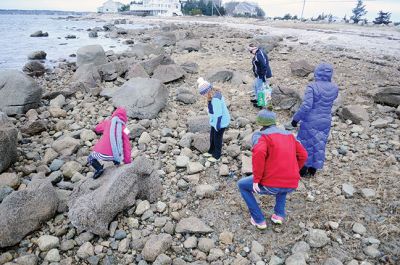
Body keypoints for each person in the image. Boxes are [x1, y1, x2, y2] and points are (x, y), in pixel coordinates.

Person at [238, 108, 307, 229]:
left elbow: (259, 153)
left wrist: (256, 179)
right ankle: (279, 215)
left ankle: (259, 220)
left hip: (271, 184)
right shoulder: (289, 135)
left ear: (260, 123)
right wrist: (295, 171)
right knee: (283, 184)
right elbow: (303, 155)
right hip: (291, 183)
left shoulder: (261, 135)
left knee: (242, 185)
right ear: (274, 121)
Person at [291, 63, 339, 177]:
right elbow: (332, 100)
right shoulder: (335, 87)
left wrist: (296, 119)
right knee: (320, 143)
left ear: (316, 73)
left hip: (310, 120)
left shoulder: (312, 86)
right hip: (325, 119)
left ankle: (302, 170)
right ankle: (313, 170)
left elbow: (306, 106)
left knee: (304, 144)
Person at [87, 107, 132, 179]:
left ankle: (99, 169)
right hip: (114, 156)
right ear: (125, 117)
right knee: (116, 150)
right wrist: (128, 162)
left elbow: (98, 128)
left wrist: (95, 129)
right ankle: (117, 164)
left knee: (90, 158)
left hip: (101, 154)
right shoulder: (125, 128)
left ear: (114, 114)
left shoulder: (108, 122)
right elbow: (127, 145)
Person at [197, 77, 230, 163]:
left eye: (203, 93)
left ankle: (217, 155)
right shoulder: (211, 94)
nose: (203, 96)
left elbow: (218, 114)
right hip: (215, 120)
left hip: (221, 121)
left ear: (208, 90)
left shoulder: (215, 99)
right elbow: (212, 110)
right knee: (212, 136)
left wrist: (217, 125)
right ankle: (211, 151)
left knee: (217, 138)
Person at [248, 43, 272, 107]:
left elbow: (264, 66)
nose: (250, 52)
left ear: (254, 49)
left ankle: (261, 104)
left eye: (250, 51)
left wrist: (263, 77)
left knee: (260, 89)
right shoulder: (258, 53)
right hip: (259, 75)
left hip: (262, 75)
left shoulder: (259, 55)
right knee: (255, 86)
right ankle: (257, 99)